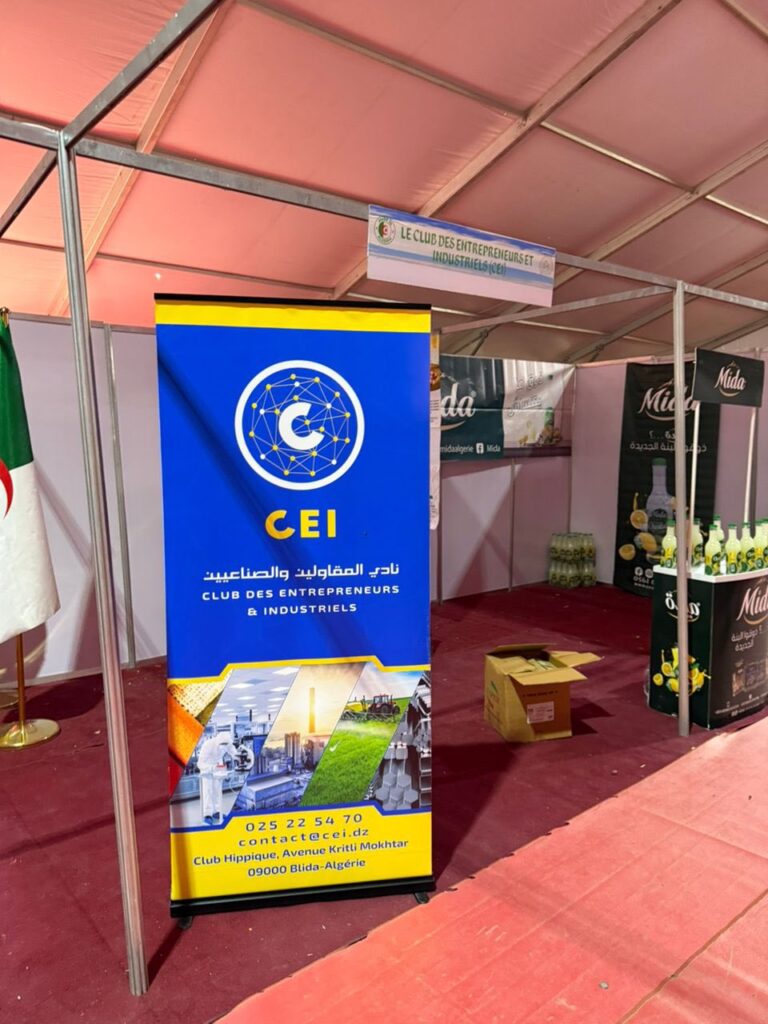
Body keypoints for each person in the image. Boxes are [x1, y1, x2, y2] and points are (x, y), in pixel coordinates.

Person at [197, 724, 237, 825]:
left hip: (218, 768)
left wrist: (239, 758)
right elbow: (200, 763)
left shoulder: (227, 743)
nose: (224, 747)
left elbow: (234, 753)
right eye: (222, 745)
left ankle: (216, 812)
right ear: (217, 741)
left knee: (217, 790)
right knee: (208, 791)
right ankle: (207, 815)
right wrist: (211, 768)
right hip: (207, 768)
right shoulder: (208, 745)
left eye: (226, 745)